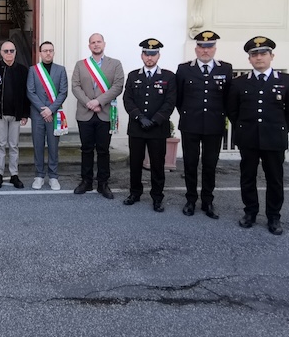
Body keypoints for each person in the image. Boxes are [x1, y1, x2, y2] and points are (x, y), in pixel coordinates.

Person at [227, 36, 289, 235]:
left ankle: (274, 217)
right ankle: (250, 212)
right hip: (248, 138)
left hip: (274, 139)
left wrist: (280, 129)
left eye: (263, 54)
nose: (259, 57)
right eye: (254, 54)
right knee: (247, 177)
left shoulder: (287, 81)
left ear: (271, 56)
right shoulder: (238, 83)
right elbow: (232, 111)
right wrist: (243, 129)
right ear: (249, 59)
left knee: (275, 179)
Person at [175, 30, 233, 219]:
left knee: (210, 165)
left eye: (209, 47)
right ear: (196, 49)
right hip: (190, 125)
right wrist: (188, 114)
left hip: (214, 126)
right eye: (202, 46)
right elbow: (178, 98)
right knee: (190, 164)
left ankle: (207, 201)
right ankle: (191, 200)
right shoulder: (184, 69)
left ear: (214, 48)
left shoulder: (225, 69)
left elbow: (228, 99)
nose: (205, 51)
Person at [122, 39, 177, 212]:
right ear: (142, 55)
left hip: (157, 129)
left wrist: (155, 120)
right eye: (147, 54)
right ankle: (135, 193)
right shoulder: (133, 76)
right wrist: (140, 117)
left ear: (158, 55)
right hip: (137, 127)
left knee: (157, 165)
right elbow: (127, 99)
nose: (150, 57)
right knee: (135, 163)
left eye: (153, 54)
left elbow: (170, 102)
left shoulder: (168, 76)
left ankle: (157, 197)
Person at [71, 33, 125, 199]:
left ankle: (103, 183)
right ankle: (86, 181)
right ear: (89, 46)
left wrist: (98, 102)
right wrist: (89, 102)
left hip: (105, 113)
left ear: (104, 44)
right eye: (93, 42)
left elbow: (118, 86)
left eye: (98, 42)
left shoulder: (115, 64)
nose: (96, 45)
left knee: (103, 150)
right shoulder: (81, 65)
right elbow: (75, 86)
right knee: (86, 149)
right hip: (85, 113)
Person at [26, 41, 69, 190]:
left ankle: (53, 176)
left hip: (54, 114)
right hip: (38, 114)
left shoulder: (61, 70)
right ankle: (38, 175)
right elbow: (30, 92)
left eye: (50, 50)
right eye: (45, 51)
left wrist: (50, 109)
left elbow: (63, 92)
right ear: (40, 53)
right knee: (38, 145)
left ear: (54, 52)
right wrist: (42, 109)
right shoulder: (33, 70)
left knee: (53, 146)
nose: (48, 53)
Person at [0, 40, 30, 189]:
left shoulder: (23, 70)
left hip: (16, 113)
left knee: (14, 145)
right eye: (6, 51)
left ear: (15, 52)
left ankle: (14, 174)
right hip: (0, 113)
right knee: (0, 144)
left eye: (11, 51)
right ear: (1, 53)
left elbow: (27, 94)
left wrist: (25, 113)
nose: (9, 54)